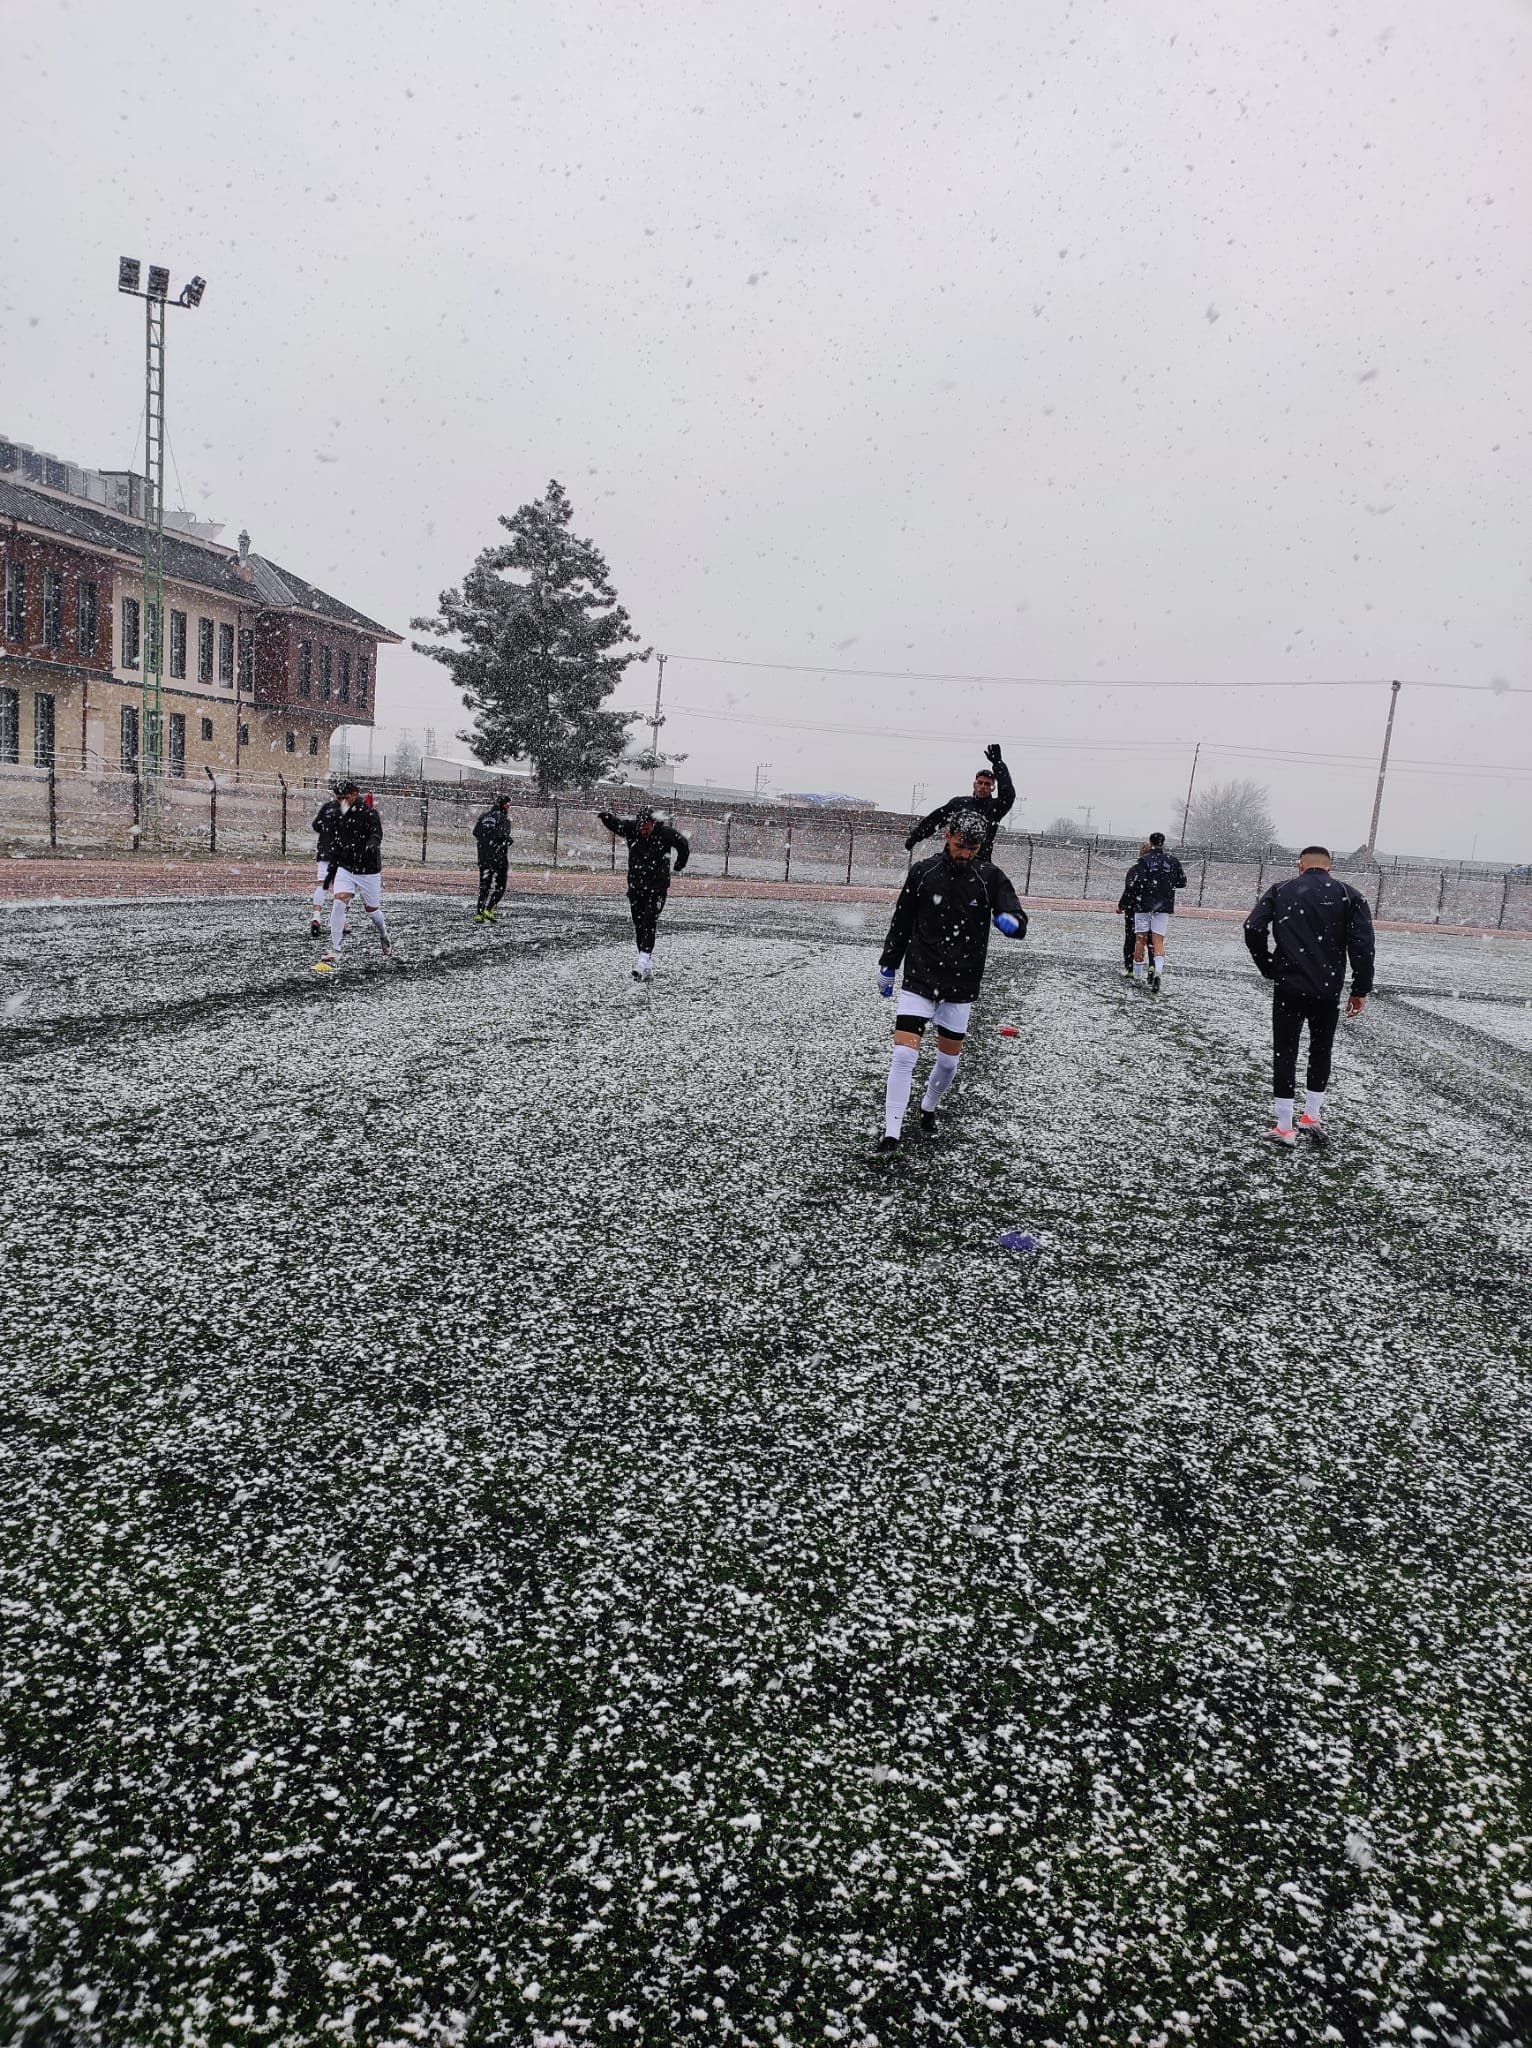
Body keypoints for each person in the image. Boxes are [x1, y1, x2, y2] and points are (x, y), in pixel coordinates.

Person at [875, 810, 1027, 1153]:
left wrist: (1012, 923)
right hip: (920, 977)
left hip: (961, 983)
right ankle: (892, 1132)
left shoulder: (990, 877)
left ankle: (928, 1105)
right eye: (961, 846)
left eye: (973, 848)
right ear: (948, 836)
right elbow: (901, 922)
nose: (966, 853)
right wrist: (888, 965)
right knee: (903, 1055)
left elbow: (1018, 918)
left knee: (947, 1063)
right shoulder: (923, 872)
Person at [1243, 845, 1375, 1147]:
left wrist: (1268, 965)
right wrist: (1359, 989)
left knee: (1285, 1051)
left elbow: (1253, 927)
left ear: (1300, 866)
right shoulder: (1349, 895)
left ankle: (1284, 1124)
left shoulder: (1282, 889)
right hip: (1328, 986)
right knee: (1321, 1049)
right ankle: (1311, 1115)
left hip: (1289, 983)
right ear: (1330, 867)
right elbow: (1363, 945)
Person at [312, 781, 399, 975]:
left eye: (345, 797)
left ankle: (383, 934)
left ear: (354, 794)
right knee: (339, 902)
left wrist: (372, 844)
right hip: (347, 867)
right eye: (339, 798)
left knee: (372, 910)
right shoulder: (338, 812)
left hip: (368, 871)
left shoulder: (368, 813)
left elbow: (377, 833)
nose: (342, 801)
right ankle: (335, 949)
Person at [596, 803, 690, 980]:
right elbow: (618, 825)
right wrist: (605, 817)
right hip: (636, 887)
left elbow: (683, 844)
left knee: (649, 921)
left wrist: (679, 864)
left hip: (657, 888)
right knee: (639, 925)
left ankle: (642, 961)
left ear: (653, 823)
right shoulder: (633, 829)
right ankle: (646, 965)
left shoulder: (665, 833)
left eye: (646, 827)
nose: (643, 830)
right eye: (641, 827)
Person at [905, 744, 1016, 860]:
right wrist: (916, 836)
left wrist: (998, 764)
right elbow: (935, 819)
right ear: (974, 784)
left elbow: (1008, 794)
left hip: (979, 863)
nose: (983, 786)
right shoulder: (959, 803)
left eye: (987, 784)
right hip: (952, 861)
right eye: (980, 782)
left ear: (993, 788)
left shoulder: (996, 807)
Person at [1123, 831, 1189, 991]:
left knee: (1140, 939)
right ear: (1163, 843)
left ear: (1150, 843)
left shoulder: (1143, 861)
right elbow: (1182, 882)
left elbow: (1136, 883)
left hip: (1144, 904)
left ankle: (1138, 976)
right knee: (1158, 940)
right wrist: (1166, 883)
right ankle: (1158, 971)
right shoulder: (1172, 861)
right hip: (1164, 905)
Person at [473, 794, 515, 923]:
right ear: (504, 805)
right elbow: (502, 834)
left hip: (484, 857)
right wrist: (507, 839)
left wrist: (485, 842)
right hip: (499, 857)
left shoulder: (484, 816)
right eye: (507, 805)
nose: (508, 807)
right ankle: (489, 909)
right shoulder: (503, 818)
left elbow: (476, 832)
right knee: (500, 886)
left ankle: (479, 913)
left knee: (484, 886)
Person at [310, 779, 343, 939]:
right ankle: (341, 921)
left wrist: (326, 833)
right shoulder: (349, 810)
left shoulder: (327, 807)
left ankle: (316, 916)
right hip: (342, 854)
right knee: (342, 888)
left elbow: (316, 825)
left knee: (322, 885)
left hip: (324, 852)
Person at [1117, 841, 1151, 976]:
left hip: (1134, 908)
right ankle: (1151, 967)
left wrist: (1122, 905)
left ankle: (1131, 967)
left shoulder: (1135, 870)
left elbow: (1129, 889)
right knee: (1150, 940)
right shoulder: (1159, 872)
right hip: (1153, 909)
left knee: (1132, 938)